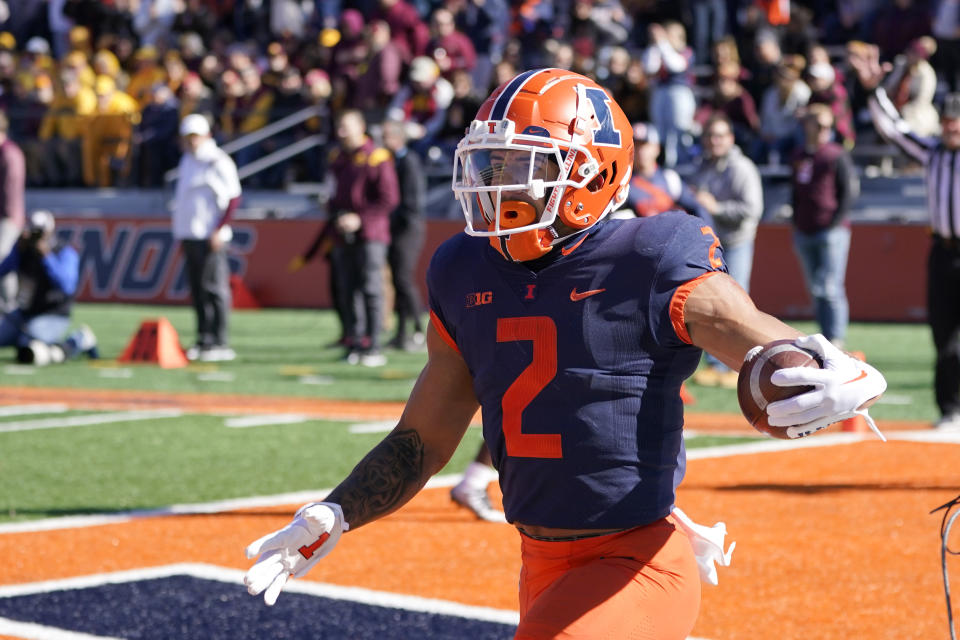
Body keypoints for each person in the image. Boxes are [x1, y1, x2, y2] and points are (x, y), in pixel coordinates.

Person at [243, 69, 887, 638]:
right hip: (538, 562)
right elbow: (423, 438)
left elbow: (747, 329)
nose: (497, 186)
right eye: (492, 165)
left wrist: (831, 367)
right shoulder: (463, 268)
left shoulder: (651, 254)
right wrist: (337, 509)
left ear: (593, 171)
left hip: (634, 561)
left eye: (524, 167)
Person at [850, 42, 960, 430]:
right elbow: (893, 128)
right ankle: (950, 410)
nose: (952, 125)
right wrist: (873, 90)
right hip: (944, 251)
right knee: (943, 335)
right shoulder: (933, 152)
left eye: (958, 120)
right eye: (948, 120)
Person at [688, 114, 763, 388]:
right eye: (710, 136)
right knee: (710, 303)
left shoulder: (742, 168)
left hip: (737, 241)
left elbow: (752, 210)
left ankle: (739, 363)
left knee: (736, 303)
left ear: (730, 138)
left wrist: (716, 207)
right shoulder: (703, 166)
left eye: (720, 135)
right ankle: (716, 365)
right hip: (712, 243)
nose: (714, 141)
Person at [327, 108, 399, 366]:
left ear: (361, 127)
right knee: (348, 288)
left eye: (346, 126)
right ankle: (355, 341)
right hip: (343, 233)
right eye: (339, 127)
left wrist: (360, 218)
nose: (341, 132)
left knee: (370, 288)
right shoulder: (338, 158)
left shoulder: (377, 157)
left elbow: (389, 198)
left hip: (371, 233)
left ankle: (374, 344)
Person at [172, 113, 241, 362]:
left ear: (206, 136)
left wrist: (219, 229)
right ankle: (204, 339)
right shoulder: (188, 160)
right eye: (187, 137)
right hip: (190, 233)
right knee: (197, 289)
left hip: (210, 234)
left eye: (194, 137)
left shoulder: (217, 160)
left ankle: (220, 341)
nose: (190, 142)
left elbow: (234, 197)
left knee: (214, 288)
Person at [788, 104, 858, 349]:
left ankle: (836, 339)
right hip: (805, 230)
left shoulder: (835, 155)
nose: (823, 131)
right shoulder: (799, 156)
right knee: (816, 289)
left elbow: (848, 192)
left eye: (828, 126)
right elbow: (795, 191)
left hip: (831, 230)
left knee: (831, 287)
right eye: (819, 125)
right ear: (807, 125)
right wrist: (796, 222)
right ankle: (826, 337)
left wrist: (835, 223)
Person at [0, 209, 98, 365]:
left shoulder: (63, 252)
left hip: (53, 314)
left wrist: (47, 257)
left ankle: (77, 340)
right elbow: (3, 269)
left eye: (40, 232)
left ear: (50, 231)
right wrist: (16, 249)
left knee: (29, 349)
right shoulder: (23, 250)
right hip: (24, 313)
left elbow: (67, 286)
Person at [381, 119, 426, 352]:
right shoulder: (392, 162)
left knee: (404, 280)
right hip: (396, 229)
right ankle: (401, 333)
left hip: (407, 230)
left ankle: (418, 329)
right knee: (399, 282)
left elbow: (411, 202)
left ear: (397, 138)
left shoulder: (408, 162)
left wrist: (393, 220)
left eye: (386, 136)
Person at [624, 122, 711, 222]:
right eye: (636, 146)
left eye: (645, 145)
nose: (640, 151)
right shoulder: (624, 185)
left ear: (657, 148)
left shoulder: (670, 178)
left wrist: (709, 235)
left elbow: (697, 208)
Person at [0, 110, 24, 312]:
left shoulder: (9, 153)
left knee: (3, 260)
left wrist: (8, 215)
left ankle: (10, 307)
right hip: (5, 216)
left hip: (7, 218)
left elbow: (10, 190)